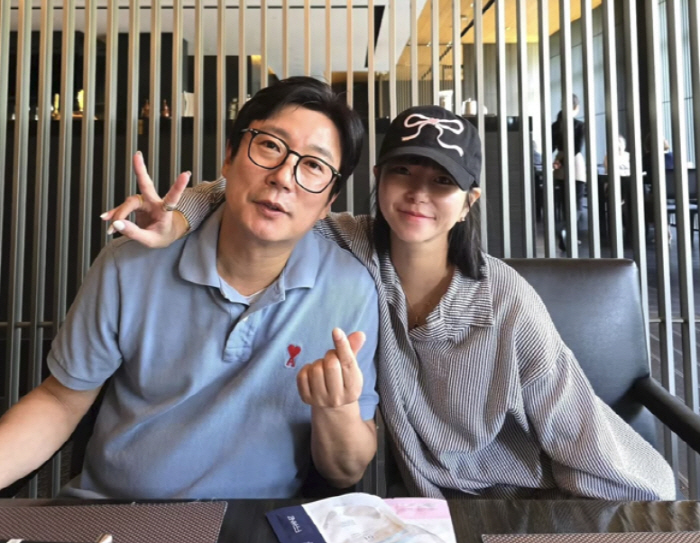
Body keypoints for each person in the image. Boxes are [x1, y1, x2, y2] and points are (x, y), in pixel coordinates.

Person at [104, 103, 676, 501]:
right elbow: (251, 192)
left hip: (530, 500)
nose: (418, 193)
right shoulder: (350, 246)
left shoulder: (504, 302)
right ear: (377, 178)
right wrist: (178, 217)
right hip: (423, 512)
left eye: (442, 181)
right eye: (403, 171)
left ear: (469, 201)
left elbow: (579, 432)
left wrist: (629, 515)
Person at [0, 77, 381, 499]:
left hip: (258, 522)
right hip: (118, 512)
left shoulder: (350, 290)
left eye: (314, 166)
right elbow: (59, 401)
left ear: (329, 200)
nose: (283, 178)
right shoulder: (130, 264)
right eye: (270, 145)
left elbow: (344, 472)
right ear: (229, 157)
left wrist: (336, 408)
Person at [551, 94, 585, 251]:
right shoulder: (579, 125)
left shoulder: (555, 125)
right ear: (576, 108)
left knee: (564, 204)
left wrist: (557, 161)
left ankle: (570, 235)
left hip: (559, 165)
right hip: (575, 165)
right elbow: (576, 148)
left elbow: (550, 147)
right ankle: (564, 229)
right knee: (577, 204)